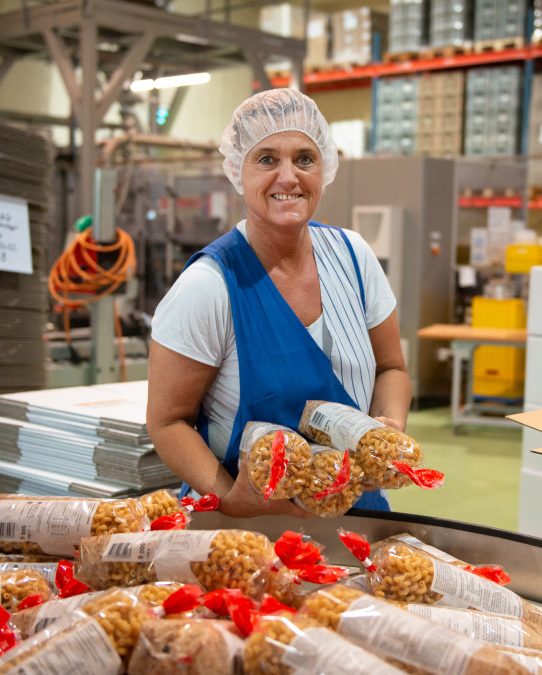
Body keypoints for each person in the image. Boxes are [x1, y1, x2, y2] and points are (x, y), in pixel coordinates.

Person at [146, 88, 411, 518]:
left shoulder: (354, 257)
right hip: (247, 534)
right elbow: (167, 422)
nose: (288, 177)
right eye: (267, 159)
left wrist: (386, 428)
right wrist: (230, 497)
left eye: (304, 158)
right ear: (238, 171)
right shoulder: (210, 285)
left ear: (324, 168)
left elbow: (391, 368)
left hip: (358, 517)